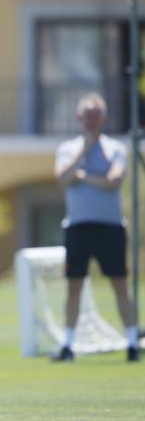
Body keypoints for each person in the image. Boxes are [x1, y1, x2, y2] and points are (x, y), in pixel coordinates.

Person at [53, 93, 140, 362]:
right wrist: (84, 152)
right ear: (79, 117)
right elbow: (63, 178)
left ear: (103, 118)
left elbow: (114, 181)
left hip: (110, 228)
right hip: (78, 228)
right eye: (87, 114)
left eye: (96, 114)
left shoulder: (115, 148)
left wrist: (83, 177)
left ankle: (133, 342)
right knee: (74, 288)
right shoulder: (68, 149)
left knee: (120, 287)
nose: (91, 119)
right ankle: (68, 345)